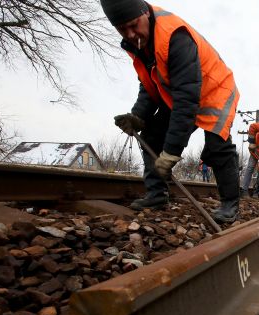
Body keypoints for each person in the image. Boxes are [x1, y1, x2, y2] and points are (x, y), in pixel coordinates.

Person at [101, 0, 240, 223]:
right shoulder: (140, 41)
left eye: (134, 25)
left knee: (217, 148)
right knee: (152, 133)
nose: (130, 33)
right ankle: (157, 195)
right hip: (183, 91)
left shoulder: (174, 37)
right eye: (122, 29)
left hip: (215, 89)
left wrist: (171, 152)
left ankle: (230, 205)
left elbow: (187, 101)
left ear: (145, 13)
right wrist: (138, 116)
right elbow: (150, 84)